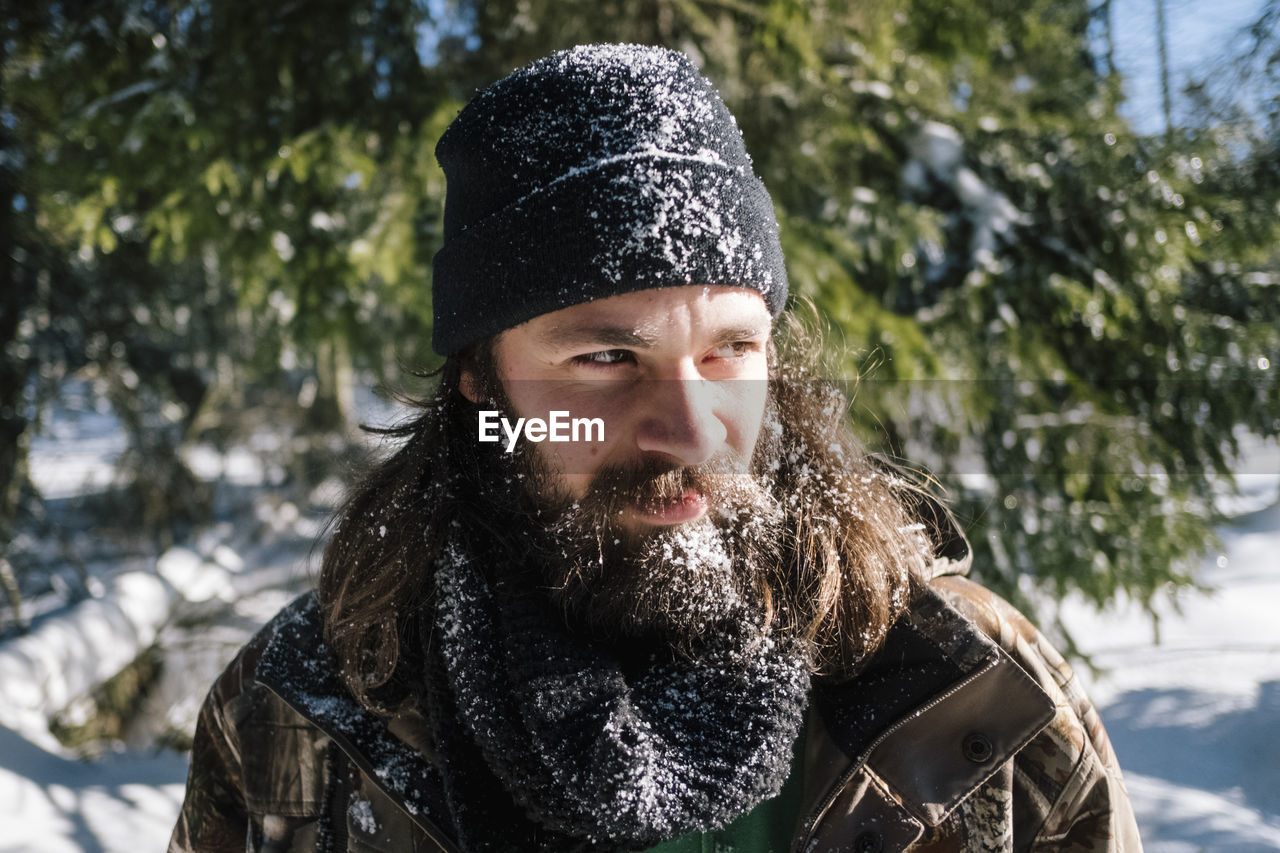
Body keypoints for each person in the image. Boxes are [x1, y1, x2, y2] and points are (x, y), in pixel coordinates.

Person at [169, 44, 1142, 852]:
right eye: (602, 357)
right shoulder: (299, 704)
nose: (689, 428)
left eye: (730, 350)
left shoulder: (960, 675)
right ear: (479, 379)